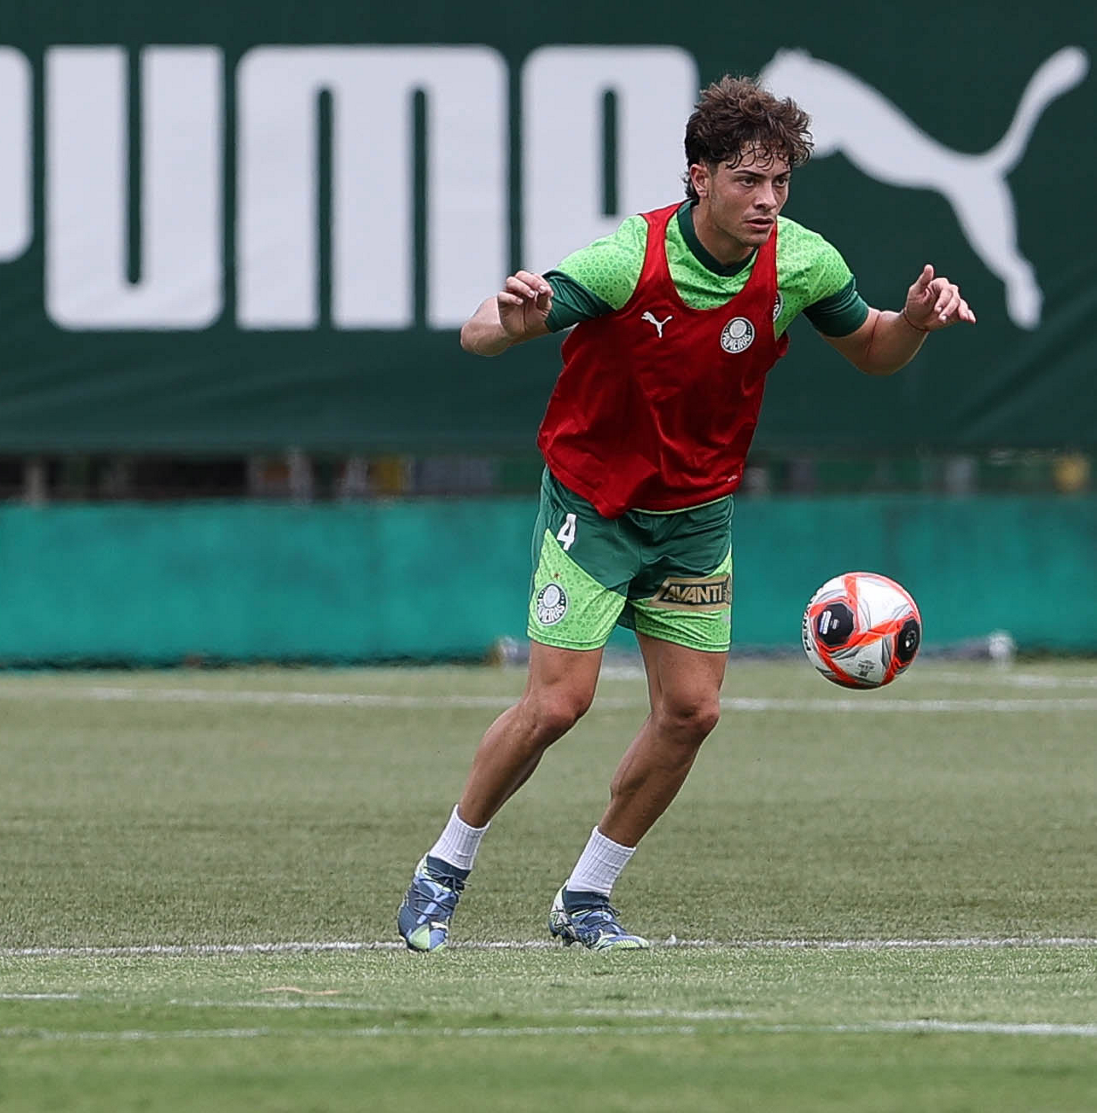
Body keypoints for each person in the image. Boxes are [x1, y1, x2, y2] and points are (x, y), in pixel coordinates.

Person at [397, 74, 975, 952]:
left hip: (696, 517)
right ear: (699, 178)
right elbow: (481, 329)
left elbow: (871, 347)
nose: (768, 200)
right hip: (593, 505)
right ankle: (444, 868)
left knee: (692, 713)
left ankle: (586, 899)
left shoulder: (803, 263)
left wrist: (916, 325)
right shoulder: (630, 259)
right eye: (748, 180)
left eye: (780, 181)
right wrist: (511, 322)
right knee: (558, 705)